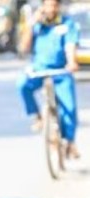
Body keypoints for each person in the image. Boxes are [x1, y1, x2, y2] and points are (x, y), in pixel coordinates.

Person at [17, 0, 80, 159]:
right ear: (43, 6)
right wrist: (31, 25)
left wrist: (72, 61)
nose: (51, 9)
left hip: (61, 70)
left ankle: (69, 141)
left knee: (69, 107)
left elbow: (70, 45)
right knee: (22, 85)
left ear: (58, 6)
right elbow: (23, 48)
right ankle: (36, 115)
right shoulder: (38, 24)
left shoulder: (67, 24)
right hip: (40, 69)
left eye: (54, 5)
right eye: (48, 5)